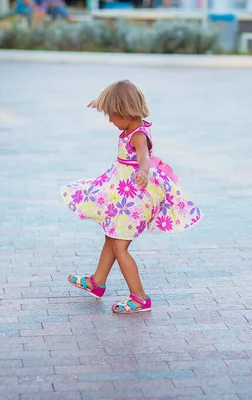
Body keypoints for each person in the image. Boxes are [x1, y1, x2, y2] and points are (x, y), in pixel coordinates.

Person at [60, 80, 203, 314]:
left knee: (119, 247)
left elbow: (144, 157)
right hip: (122, 196)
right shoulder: (128, 125)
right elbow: (117, 108)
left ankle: (139, 298)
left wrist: (143, 171)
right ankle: (98, 282)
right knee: (110, 236)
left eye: (112, 115)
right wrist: (101, 103)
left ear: (125, 111)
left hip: (134, 201)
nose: (110, 120)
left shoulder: (138, 135)